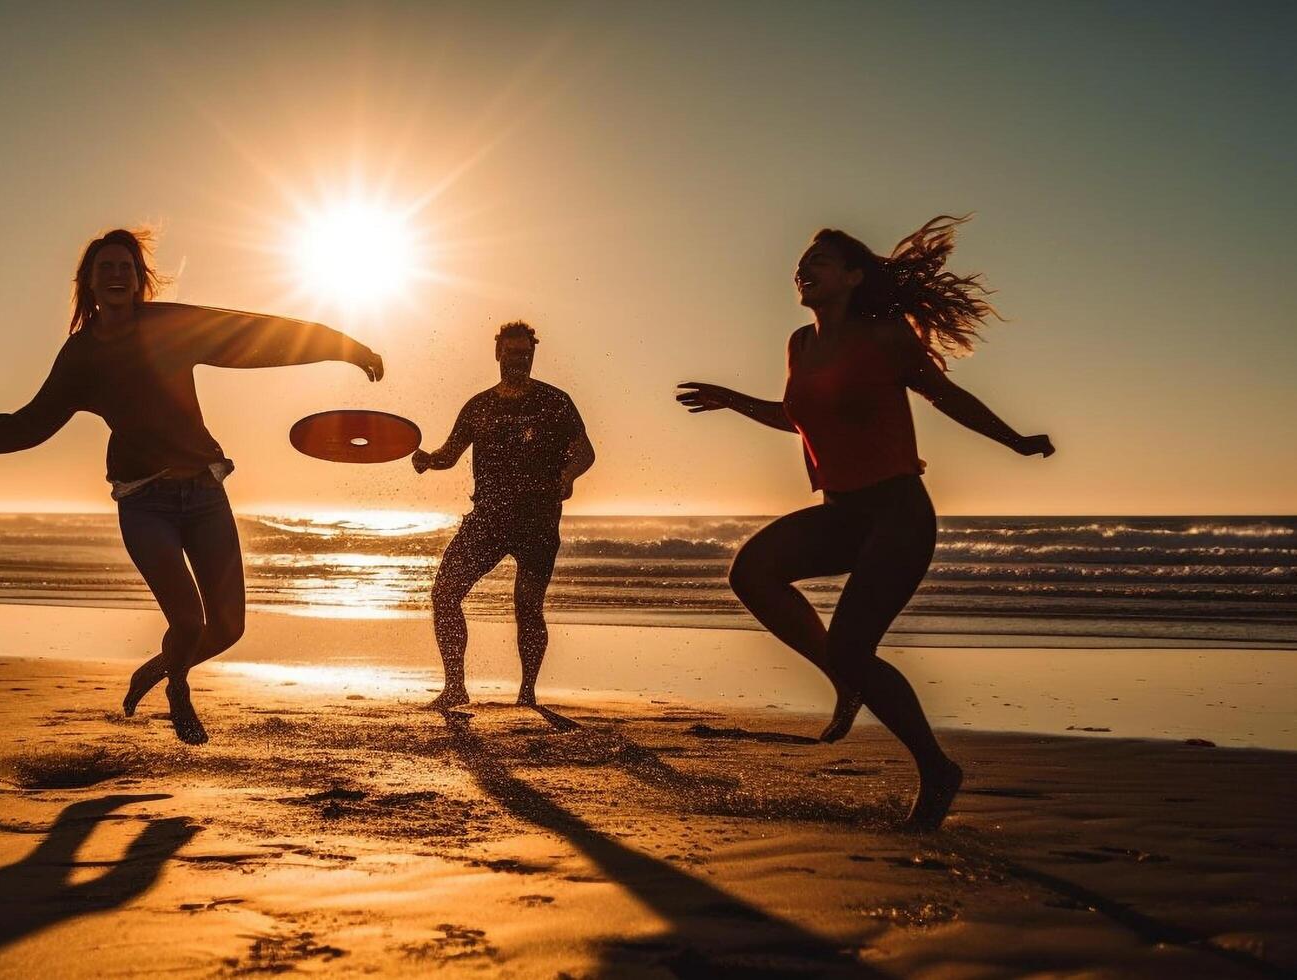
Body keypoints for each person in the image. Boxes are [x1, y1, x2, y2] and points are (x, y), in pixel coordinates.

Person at [0, 228, 383, 745]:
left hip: (206, 495)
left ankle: (160, 668)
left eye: (126, 267)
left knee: (229, 627)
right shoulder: (81, 357)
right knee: (188, 620)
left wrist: (341, 346)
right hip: (145, 503)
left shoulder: (170, 326)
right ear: (89, 284)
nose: (117, 276)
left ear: (140, 280)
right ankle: (179, 685)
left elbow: (251, 336)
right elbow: (29, 424)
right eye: (107, 269)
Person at [675, 215, 1053, 830]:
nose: (804, 268)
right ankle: (845, 677)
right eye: (802, 261)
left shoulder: (886, 337)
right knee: (753, 572)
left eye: (820, 260)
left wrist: (1013, 440)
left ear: (853, 276)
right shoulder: (801, 343)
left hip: (897, 513)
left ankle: (936, 768)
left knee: (854, 644)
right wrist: (729, 398)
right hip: (842, 513)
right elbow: (795, 416)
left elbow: (946, 396)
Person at [412, 321, 595, 710]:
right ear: (498, 353)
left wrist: (567, 475)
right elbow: (449, 455)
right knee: (444, 593)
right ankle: (455, 688)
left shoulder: (555, 401)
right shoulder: (479, 406)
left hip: (537, 520)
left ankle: (527, 694)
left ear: (533, 354)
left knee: (527, 607)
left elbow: (585, 452)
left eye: (525, 354)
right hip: (488, 519)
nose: (519, 361)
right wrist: (429, 460)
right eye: (512, 354)